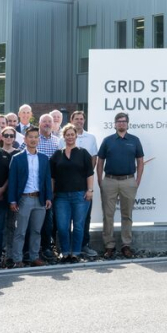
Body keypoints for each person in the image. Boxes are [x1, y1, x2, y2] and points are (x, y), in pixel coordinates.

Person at [96, 113, 145, 259]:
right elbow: (100, 162)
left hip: (128, 181)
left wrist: (137, 181)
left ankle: (126, 245)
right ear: (115, 124)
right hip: (109, 181)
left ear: (128, 124)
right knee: (108, 215)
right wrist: (100, 180)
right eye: (119, 121)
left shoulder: (135, 140)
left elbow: (140, 161)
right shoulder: (108, 140)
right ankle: (109, 246)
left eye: (124, 121)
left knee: (127, 215)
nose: (121, 124)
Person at [8, 126, 52, 267]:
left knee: (36, 231)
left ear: (38, 139)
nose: (33, 139)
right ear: (25, 139)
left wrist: (48, 197)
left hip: (39, 200)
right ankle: (17, 259)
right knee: (20, 231)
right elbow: (13, 181)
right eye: (30, 137)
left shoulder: (44, 158)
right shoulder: (17, 158)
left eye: (36, 137)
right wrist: (13, 200)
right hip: (24, 199)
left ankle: (34, 257)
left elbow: (47, 179)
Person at [50, 124, 94, 264]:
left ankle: (75, 253)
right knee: (62, 227)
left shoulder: (83, 153)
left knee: (79, 226)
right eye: (67, 134)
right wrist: (51, 193)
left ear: (76, 136)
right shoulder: (57, 155)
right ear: (64, 137)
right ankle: (64, 252)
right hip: (61, 197)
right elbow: (52, 177)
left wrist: (90, 190)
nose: (70, 137)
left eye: (72, 134)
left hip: (80, 195)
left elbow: (89, 174)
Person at [69, 109, 100, 259]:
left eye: (82, 119)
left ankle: (83, 245)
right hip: (67, 183)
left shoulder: (91, 138)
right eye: (77, 119)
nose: (80, 121)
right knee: (67, 217)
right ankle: (67, 246)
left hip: (85, 183)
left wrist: (87, 177)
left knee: (85, 217)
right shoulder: (65, 137)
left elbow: (94, 159)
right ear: (72, 120)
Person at [34, 114, 62, 260]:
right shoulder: (33, 139)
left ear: (53, 124)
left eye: (49, 122)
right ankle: (33, 248)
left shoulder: (58, 142)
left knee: (49, 219)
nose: (46, 124)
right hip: (34, 185)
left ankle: (47, 247)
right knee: (35, 219)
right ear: (39, 123)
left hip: (52, 185)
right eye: (44, 121)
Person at [0, 127, 17, 269]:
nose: (8, 137)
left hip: (1, 199)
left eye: (11, 135)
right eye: (5, 135)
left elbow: (9, 175)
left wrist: (1, 190)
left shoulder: (5, 155)